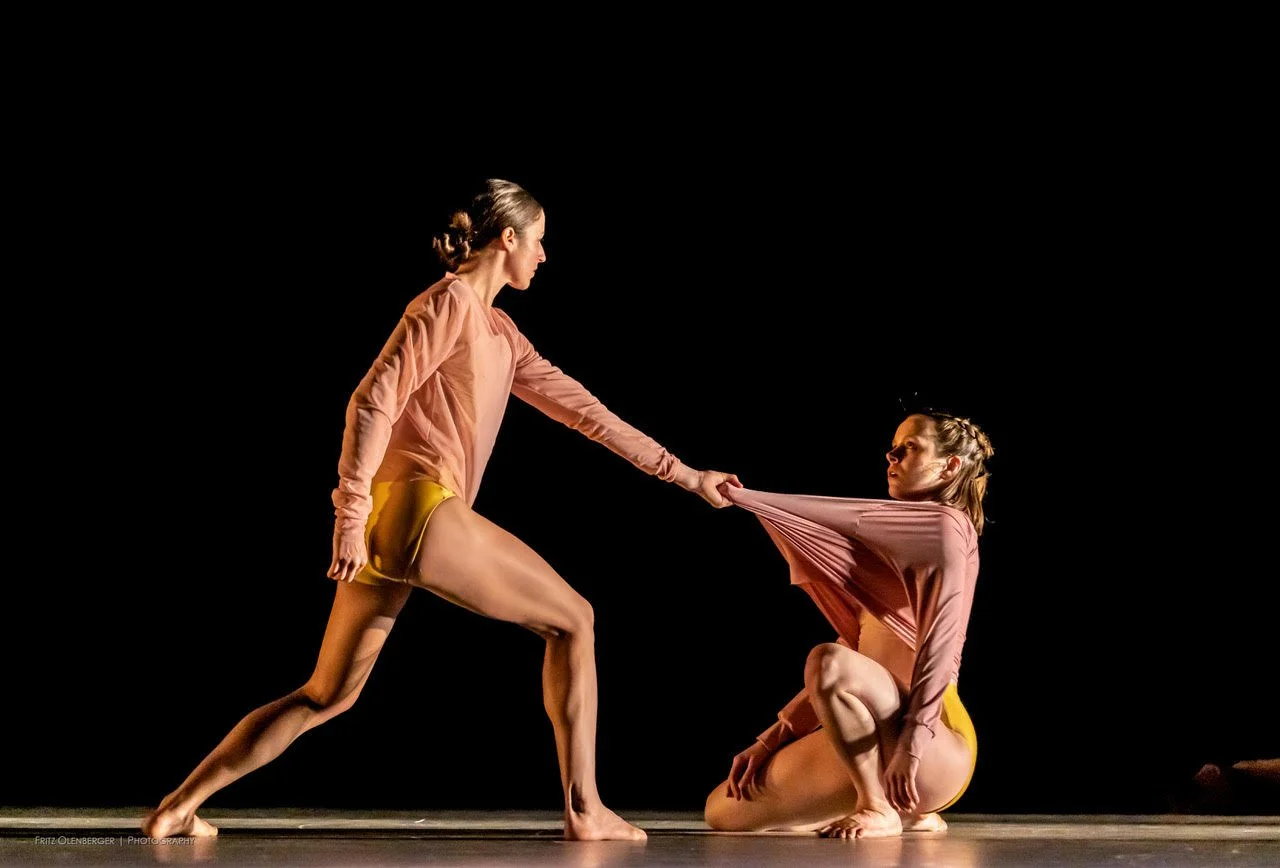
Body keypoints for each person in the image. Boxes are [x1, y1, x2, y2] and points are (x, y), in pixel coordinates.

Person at [142, 179, 738, 842]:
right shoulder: (448, 304)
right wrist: (349, 511)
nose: (544, 256)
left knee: (326, 695)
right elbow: (373, 401)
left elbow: (587, 415)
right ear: (508, 239)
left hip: (396, 523)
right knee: (575, 621)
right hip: (417, 509)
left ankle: (177, 806)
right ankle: (585, 809)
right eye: (538, 241)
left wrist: (687, 476)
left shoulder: (501, 332)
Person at [704, 412, 994, 839]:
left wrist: (742, 497)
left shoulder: (947, 528)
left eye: (910, 447)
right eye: (893, 446)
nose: (891, 455)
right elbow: (859, 649)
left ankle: (877, 806)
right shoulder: (889, 550)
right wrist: (772, 738)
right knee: (723, 812)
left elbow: (939, 644)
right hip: (886, 740)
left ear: (950, 466)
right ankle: (907, 812)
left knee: (828, 661)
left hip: (933, 742)